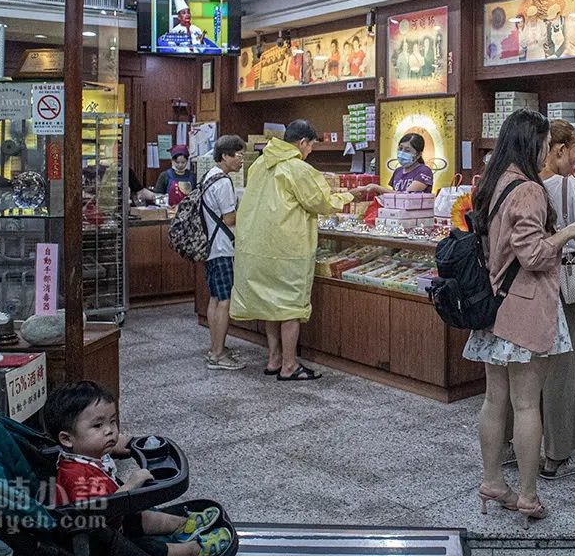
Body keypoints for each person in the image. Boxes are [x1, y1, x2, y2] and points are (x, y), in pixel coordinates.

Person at [463, 109, 575, 527]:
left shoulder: (491, 182)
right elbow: (534, 254)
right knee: (526, 406)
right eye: (543, 142)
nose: (547, 150)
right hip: (524, 309)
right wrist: (569, 233)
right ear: (531, 142)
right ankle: (526, 495)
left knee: (493, 400)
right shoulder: (528, 190)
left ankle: (492, 481)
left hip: (492, 306)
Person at [231, 120, 378, 380]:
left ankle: (274, 359)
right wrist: (352, 195)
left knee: (270, 303)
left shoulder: (260, 165)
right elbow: (320, 202)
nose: (310, 151)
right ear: (302, 143)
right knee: (290, 306)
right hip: (288, 247)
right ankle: (289, 366)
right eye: (311, 146)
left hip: (257, 246)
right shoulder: (297, 168)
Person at [43, 381, 232, 556]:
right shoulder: (76, 476)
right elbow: (103, 508)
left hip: (113, 524)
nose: (110, 430)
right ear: (67, 439)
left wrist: (112, 448)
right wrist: (132, 484)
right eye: (98, 425)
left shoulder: (79, 452)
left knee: (138, 516)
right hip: (99, 540)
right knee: (146, 549)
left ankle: (181, 525)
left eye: (113, 421)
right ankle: (193, 550)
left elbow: (90, 452)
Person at [537, 119, 575, 479]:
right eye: (574, 153)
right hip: (561, 285)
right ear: (559, 150)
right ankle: (557, 454)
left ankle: (516, 445)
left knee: (526, 367)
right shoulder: (565, 185)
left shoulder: (522, 182)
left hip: (527, 287)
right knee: (562, 366)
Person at [202, 135, 246, 371]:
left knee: (215, 298)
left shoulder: (209, 177)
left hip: (210, 247)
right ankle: (218, 355)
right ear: (225, 156)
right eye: (238, 155)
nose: (241, 160)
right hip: (222, 248)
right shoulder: (224, 183)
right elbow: (229, 219)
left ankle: (215, 347)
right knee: (224, 301)